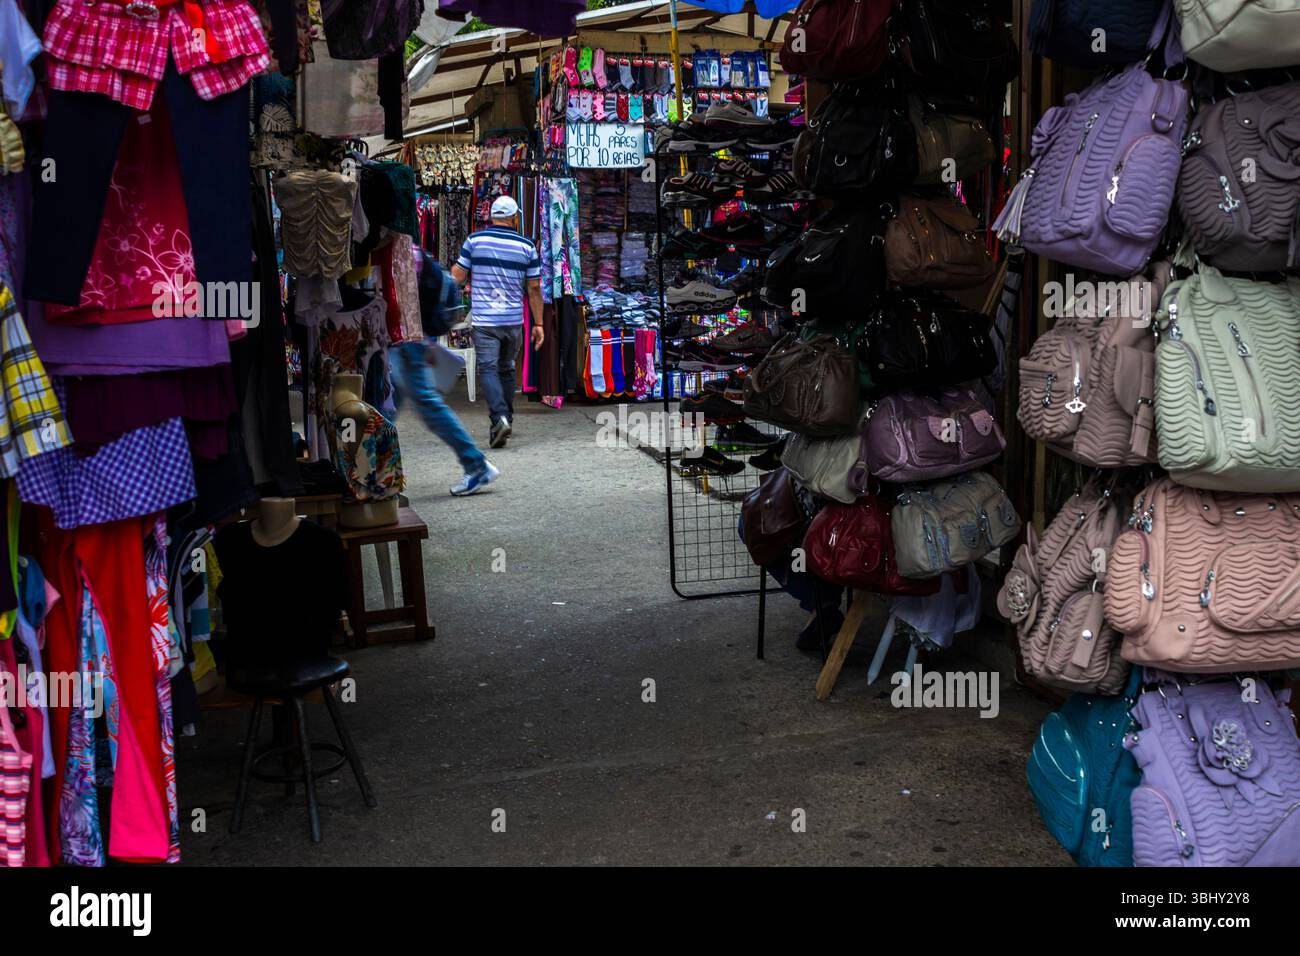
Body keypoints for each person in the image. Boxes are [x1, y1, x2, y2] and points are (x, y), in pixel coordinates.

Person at [390, 251, 499, 497]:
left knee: (418, 404)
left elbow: (400, 299)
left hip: (405, 339)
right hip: (407, 338)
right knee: (385, 406)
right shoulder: (407, 248)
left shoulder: (397, 250)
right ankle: (374, 472)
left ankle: (476, 464)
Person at [450, 195, 545, 449]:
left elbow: (457, 276)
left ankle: (499, 417)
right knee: (507, 368)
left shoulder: (475, 241)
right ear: (514, 218)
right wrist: (539, 324)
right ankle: (505, 421)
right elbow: (534, 288)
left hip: (485, 321)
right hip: (513, 321)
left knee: (488, 369)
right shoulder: (527, 246)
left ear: (492, 217)